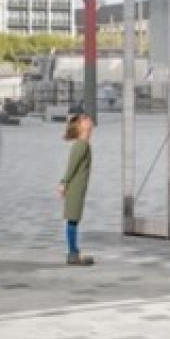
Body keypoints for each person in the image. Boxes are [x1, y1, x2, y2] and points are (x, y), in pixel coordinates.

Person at [57, 112, 95, 266]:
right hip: (74, 187)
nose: (89, 119)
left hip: (78, 187)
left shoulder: (83, 144)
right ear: (80, 127)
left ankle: (74, 251)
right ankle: (73, 253)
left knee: (74, 219)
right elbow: (71, 166)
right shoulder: (81, 145)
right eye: (85, 119)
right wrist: (63, 182)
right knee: (72, 219)